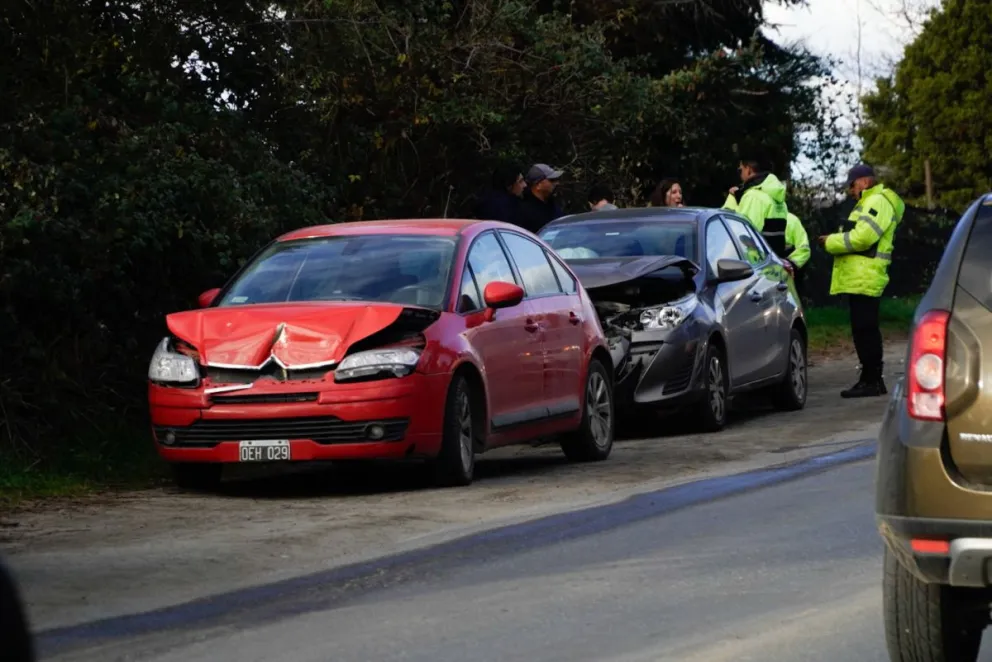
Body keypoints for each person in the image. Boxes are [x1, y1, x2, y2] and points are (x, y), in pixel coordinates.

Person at [817, 163, 905, 398]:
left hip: (866, 275)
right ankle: (870, 379)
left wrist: (831, 242)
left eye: (853, 185)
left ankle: (872, 380)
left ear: (864, 182)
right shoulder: (872, 201)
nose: (851, 191)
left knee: (865, 330)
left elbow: (864, 238)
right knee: (863, 329)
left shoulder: (877, 201)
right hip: (862, 276)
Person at [722, 157, 791, 258]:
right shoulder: (778, 200)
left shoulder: (753, 197)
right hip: (773, 262)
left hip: (752, 263)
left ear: (749, 170)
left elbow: (741, 234)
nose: (740, 174)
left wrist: (732, 199)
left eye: (740, 170)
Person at [516, 163, 565, 233]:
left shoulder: (552, 204)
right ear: (538, 185)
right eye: (552, 180)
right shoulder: (524, 211)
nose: (557, 183)